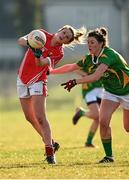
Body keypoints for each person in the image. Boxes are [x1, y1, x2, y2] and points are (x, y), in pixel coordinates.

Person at [51, 26, 129, 163]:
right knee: (103, 121)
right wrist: (49, 71)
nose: (89, 45)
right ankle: (109, 156)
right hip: (111, 92)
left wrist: (75, 81)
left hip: (128, 89)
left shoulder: (109, 55)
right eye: (88, 42)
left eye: (92, 42)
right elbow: (71, 67)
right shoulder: (90, 58)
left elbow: (95, 76)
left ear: (101, 43)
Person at [17, 25, 86, 164]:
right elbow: (21, 40)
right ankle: (52, 143)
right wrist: (30, 42)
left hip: (38, 81)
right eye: (64, 33)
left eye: (67, 38)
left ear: (66, 43)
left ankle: (50, 153)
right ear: (60, 30)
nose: (64, 36)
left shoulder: (58, 53)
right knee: (30, 118)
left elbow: (40, 64)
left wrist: (37, 54)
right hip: (22, 77)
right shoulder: (41, 34)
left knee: (41, 118)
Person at [72, 70, 104, 147]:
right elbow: (75, 68)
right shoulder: (89, 58)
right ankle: (81, 112)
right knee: (96, 115)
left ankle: (88, 142)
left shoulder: (103, 58)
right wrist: (86, 74)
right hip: (89, 90)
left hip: (101, 90)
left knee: (98, 118)